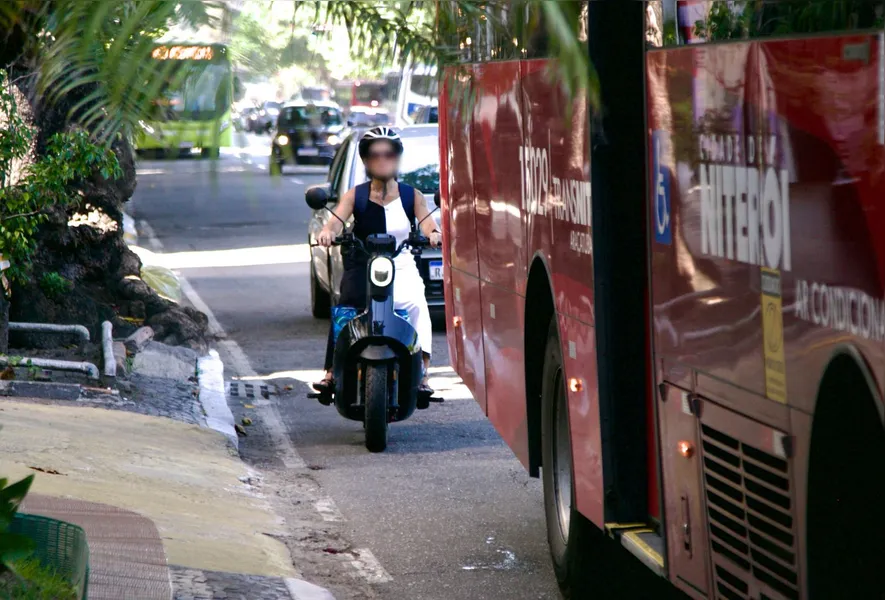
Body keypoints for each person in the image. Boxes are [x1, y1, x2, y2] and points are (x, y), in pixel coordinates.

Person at [313, 126, 441, 395]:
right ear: (365, 160)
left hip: (401, 263)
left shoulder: (411, 195)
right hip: (363, 263)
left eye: (390, 153)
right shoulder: (355, 195)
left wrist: (434, 234)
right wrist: (327, 233)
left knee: (417, 305)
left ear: (398, 157)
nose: (383, 159)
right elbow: (335, 222)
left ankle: (423, 372)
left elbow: (428, 224)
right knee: (346, 307)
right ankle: (330, 372)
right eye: (375, 154)